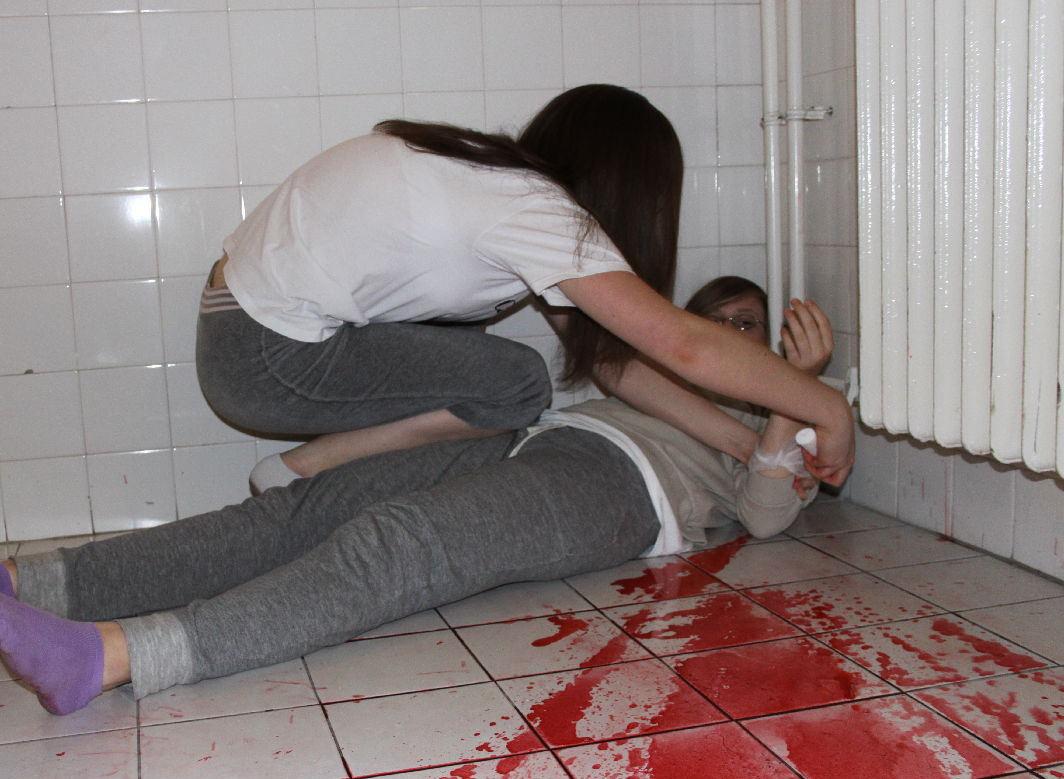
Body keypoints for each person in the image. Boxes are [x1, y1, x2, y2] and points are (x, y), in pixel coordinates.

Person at [0, 278, 838, 716]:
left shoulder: (778, 424)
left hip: (621, 490)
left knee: (404, 540)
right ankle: (27, 582)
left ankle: (113, 657)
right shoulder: (656, 371)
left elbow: (764, 515)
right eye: (719, 320)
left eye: (751, 325)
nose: (736, 333)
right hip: (534, 442)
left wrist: (787, 404)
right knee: (296, 513)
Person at [196, 84, 854, 492]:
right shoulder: (535, 212)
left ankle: (305, 476)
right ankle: (294, 474)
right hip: (262, 354)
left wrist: (744, 446)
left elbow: (611, 362)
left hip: (245, 328)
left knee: (487, 379)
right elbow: (683, 345)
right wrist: (828, 409)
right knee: (515, 385)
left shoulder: (498, 183)